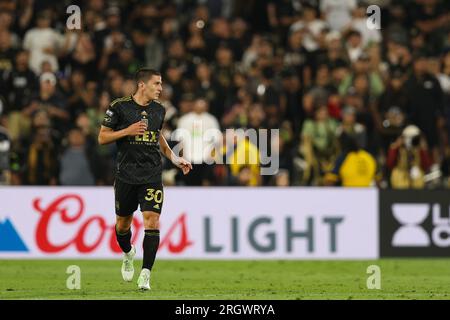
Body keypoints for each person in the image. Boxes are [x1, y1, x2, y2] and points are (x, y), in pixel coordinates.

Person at [97, 68, 192, 290]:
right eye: (157, 84)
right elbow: (102, 137)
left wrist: (174, 158)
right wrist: (127, 131)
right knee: (122, 226)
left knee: (152, 220)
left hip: (151, 174)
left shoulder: (159, 110)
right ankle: (129, 253)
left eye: (161, 84)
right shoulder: (119, 107)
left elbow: (157, 136)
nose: (161, 88)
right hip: (126, 175)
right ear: (142, 85)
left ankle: (146, 274)